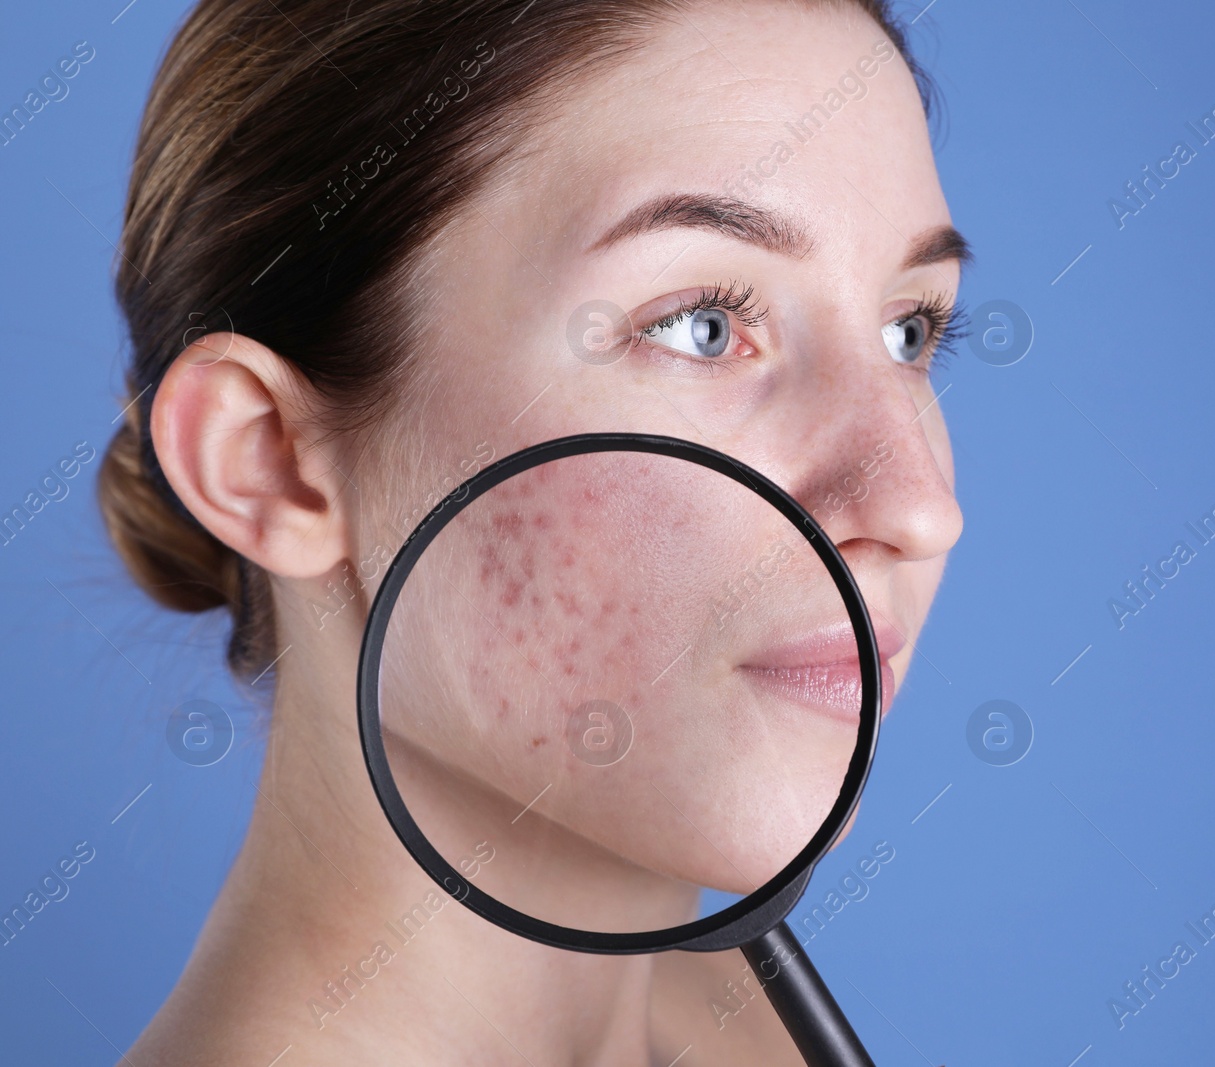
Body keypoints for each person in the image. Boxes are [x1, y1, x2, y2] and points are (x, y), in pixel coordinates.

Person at [99, 1, 966, 1062]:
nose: (919, 505)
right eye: (702, 325)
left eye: (908, 328)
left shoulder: (733, 1011)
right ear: (267, 460)